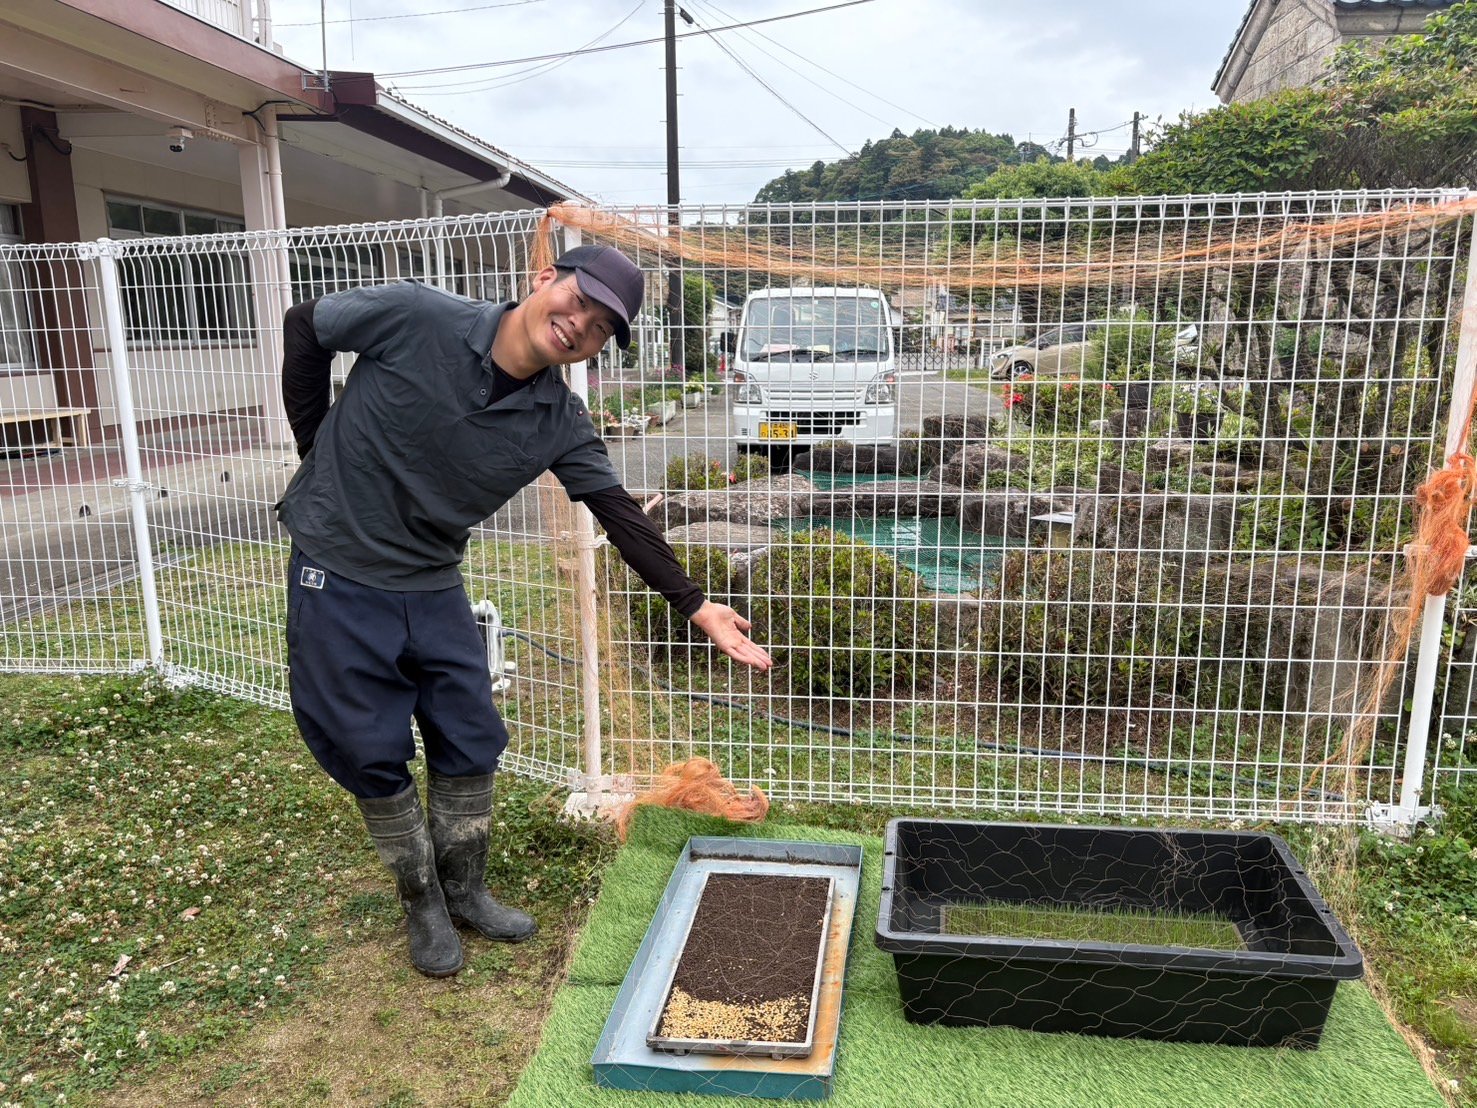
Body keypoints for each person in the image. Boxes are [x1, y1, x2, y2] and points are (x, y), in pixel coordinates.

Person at [275, 244, 773, 977]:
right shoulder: (418, 315)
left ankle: (465, 889)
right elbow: (305, 324)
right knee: (367, 744)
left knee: (470, 733)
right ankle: (421, 899)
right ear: (545, 280)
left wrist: (696, 605)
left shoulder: (556, 419)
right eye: (580, 301)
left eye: (601, 327)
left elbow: (618, 512)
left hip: (431, 576)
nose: (580, 325)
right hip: (337, 566)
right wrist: (315, 441)